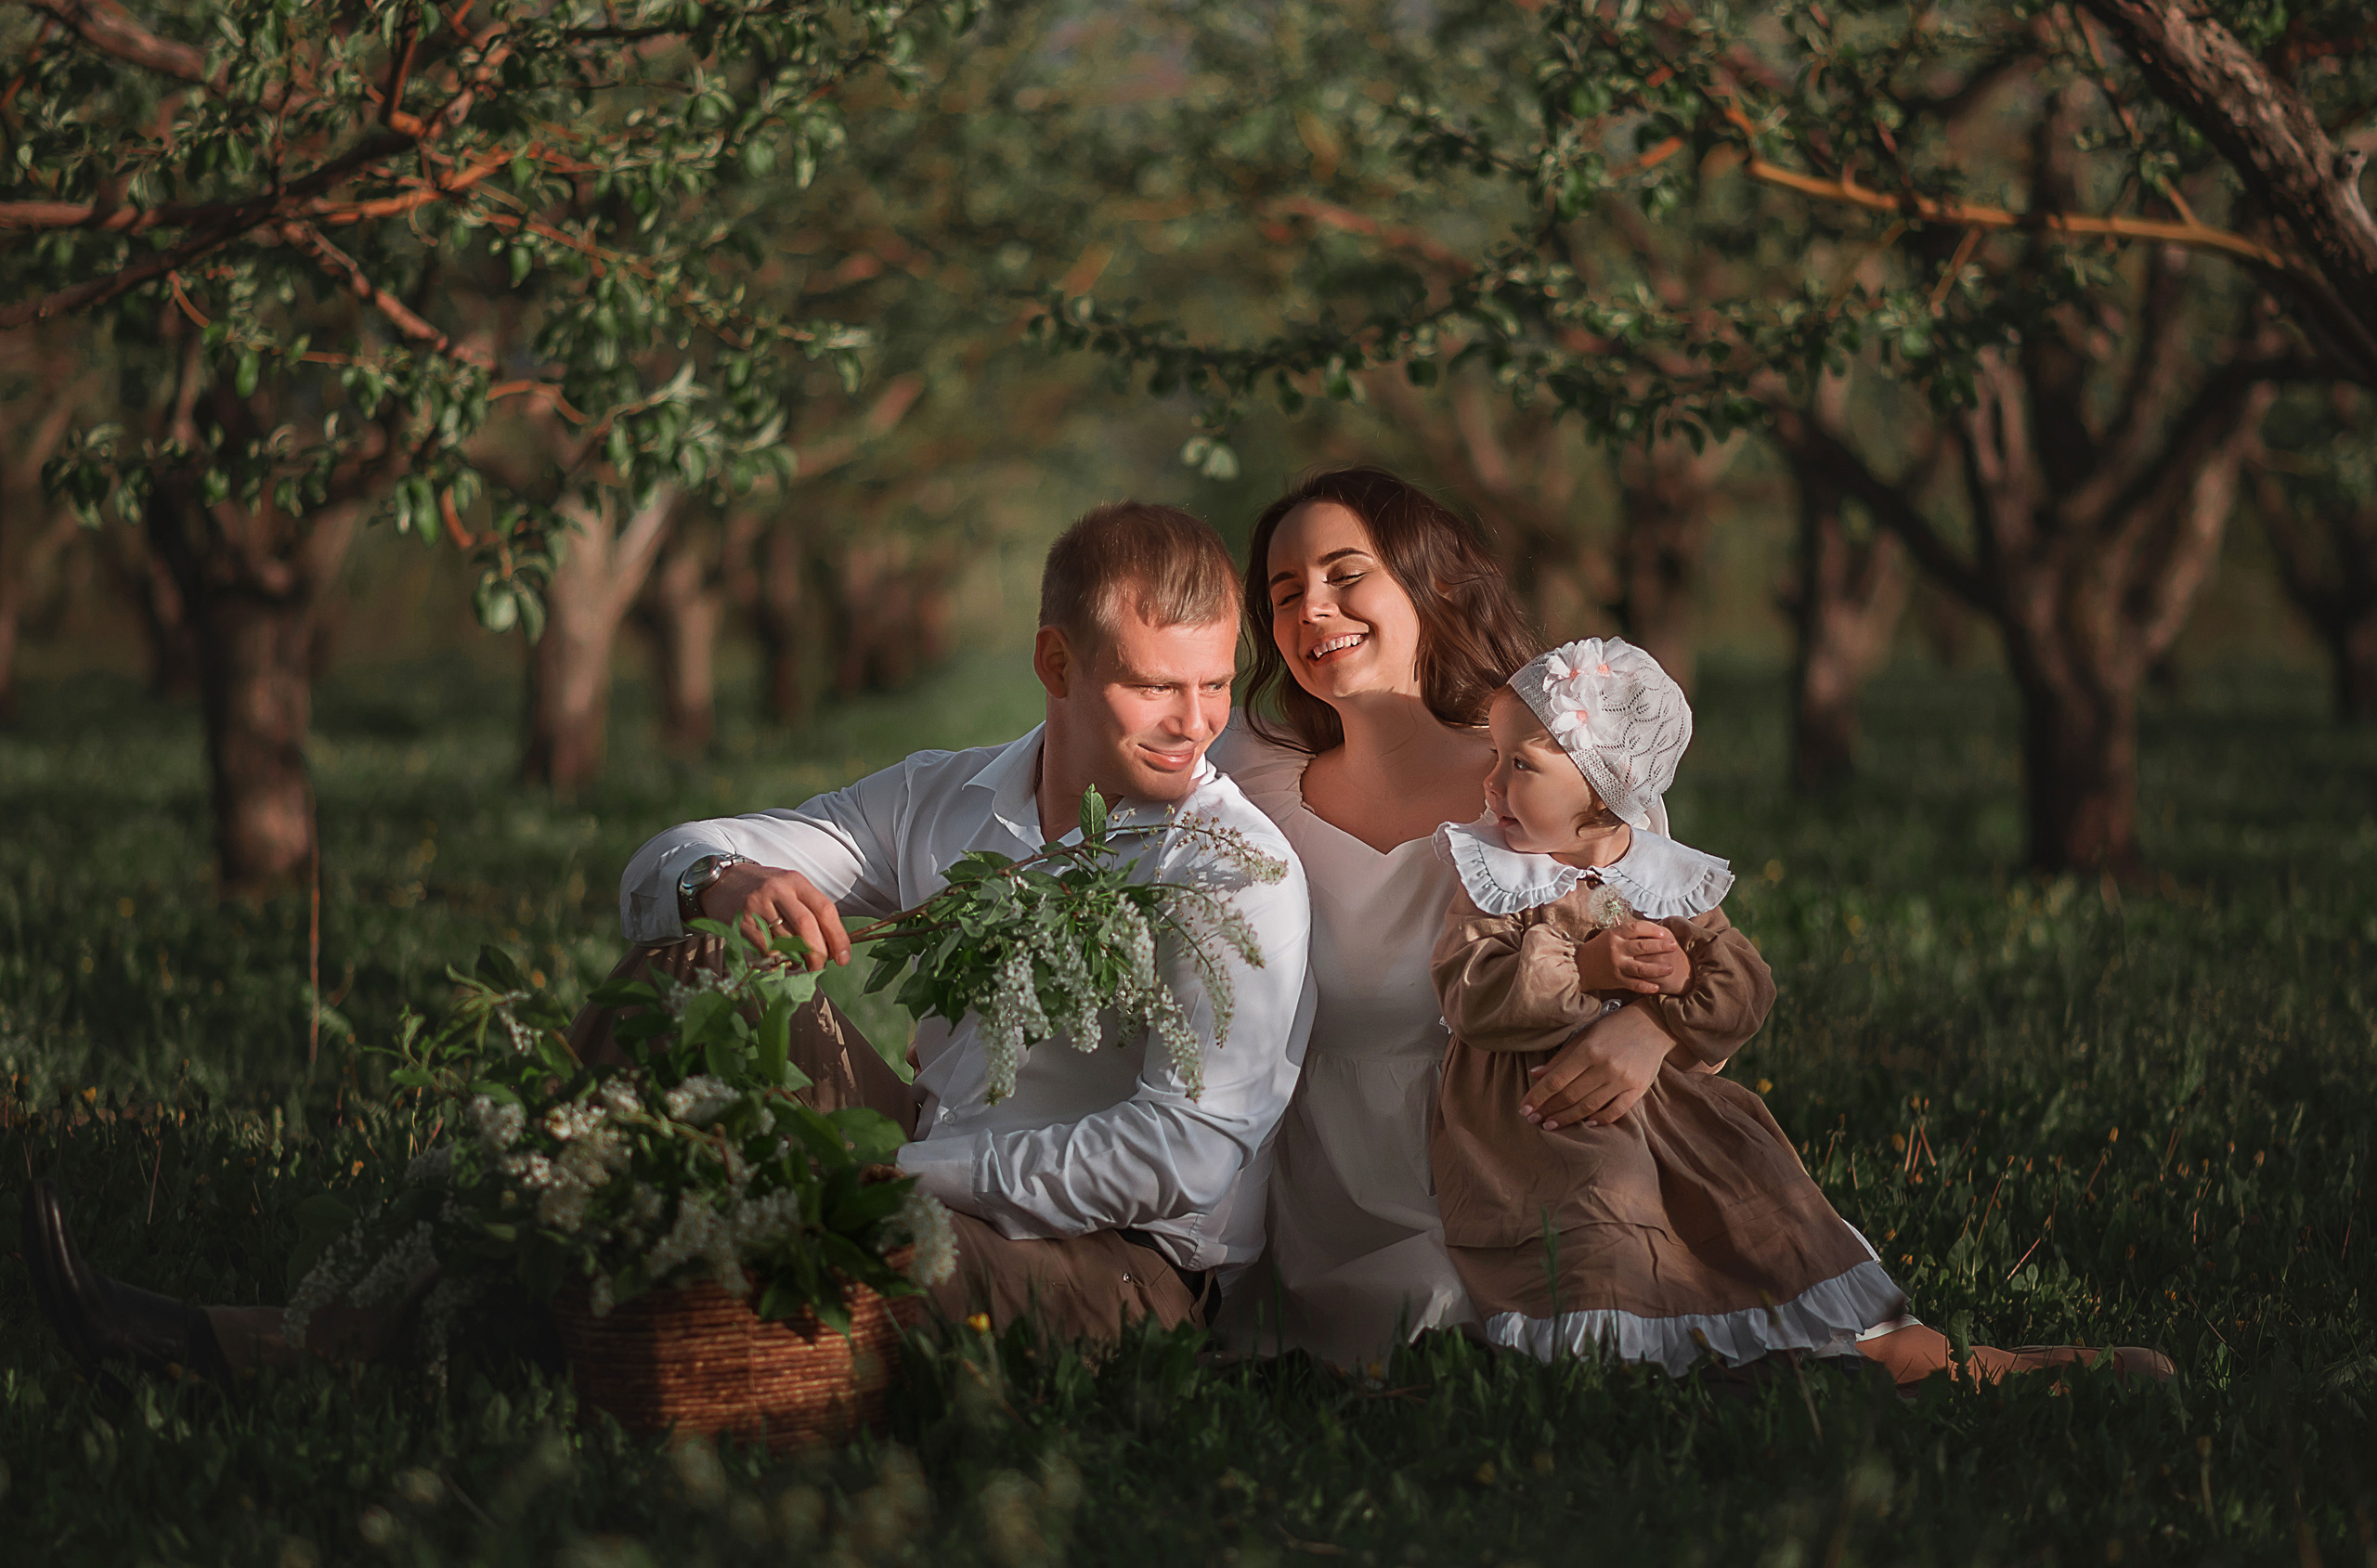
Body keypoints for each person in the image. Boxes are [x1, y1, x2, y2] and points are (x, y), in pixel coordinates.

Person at [24, 500, 1316, 1385]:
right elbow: (668, 855)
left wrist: (893, 1180)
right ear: (1057, 660)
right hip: (919, 1169)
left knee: (784, 1247)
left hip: (1127, 1275)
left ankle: (548, 1344)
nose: (1194, 721)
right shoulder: (948, 794)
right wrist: (731, 883)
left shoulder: (1232, 869)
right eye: (1155, 682)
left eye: (1214, 684)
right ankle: (309, 1334)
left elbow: (1180, 1155)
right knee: (680, 977)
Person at [1214, 464, 2169, 1386]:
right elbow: (1105, 742)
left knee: (1712, 1296)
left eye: (1347, 576)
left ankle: (1964, 1368)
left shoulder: (1555, 770)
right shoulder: (1250, 777)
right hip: (1353, 1196)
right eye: (1285, 591)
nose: (1312, 611)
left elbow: (1688, 963)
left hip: (1552, 1153)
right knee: (1442, 1325)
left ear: (1429, 586)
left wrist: (1650, 1025)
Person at [1431, 636, 1907, 1372]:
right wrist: (1581, 967)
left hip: (1675, 1106)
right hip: (1543, 1117)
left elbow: (1745, 979)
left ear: (1602, 785)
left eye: (1518, 764)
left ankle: (1795, 1349)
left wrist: (1682, 982)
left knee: (1755, 1187)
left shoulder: (1659, 875)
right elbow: (1471, 988)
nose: (1491, 784)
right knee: (1603, 1218)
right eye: (1497, 759)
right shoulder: (1502, 873)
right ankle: (1627, 1368)